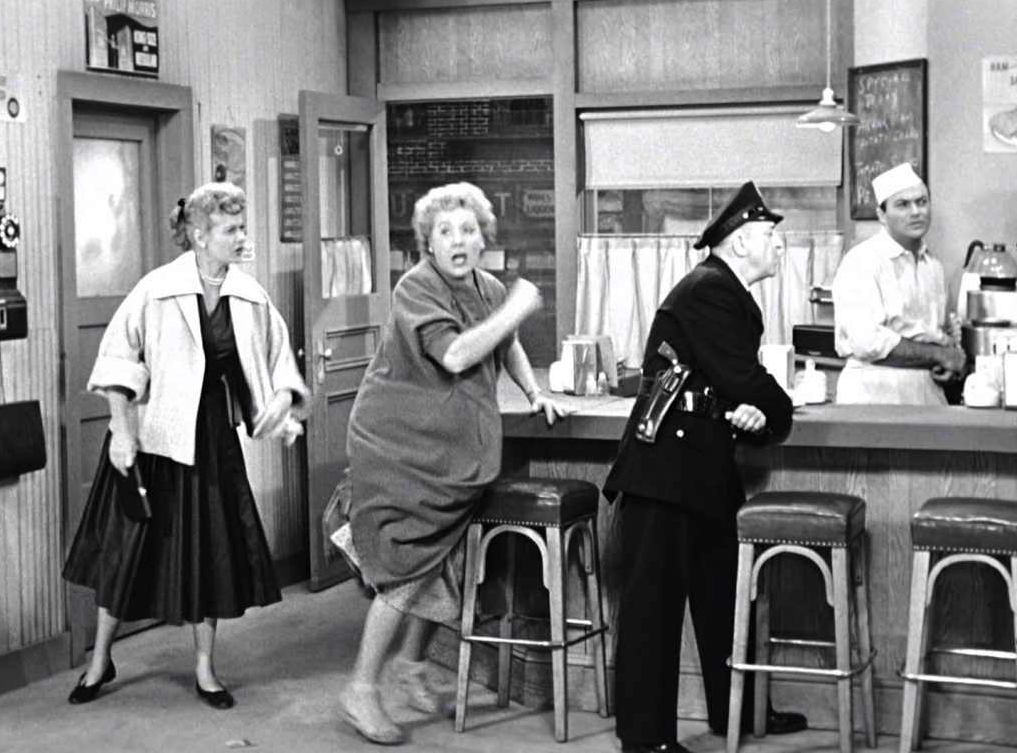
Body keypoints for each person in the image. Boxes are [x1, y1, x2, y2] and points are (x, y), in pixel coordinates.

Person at [333, 182, 569, 745]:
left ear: (483, 239)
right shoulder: (416, 287)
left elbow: (505, 343)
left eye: (468, 230)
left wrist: (535, 393)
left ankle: (410, 666)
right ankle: (360, 688)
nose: (458, 240)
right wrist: (518, 306)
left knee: (444, 562)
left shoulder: (488, 287)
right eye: (445, 232)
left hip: (450, 453)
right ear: (428, 243)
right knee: (407, 568)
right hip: (399, 448)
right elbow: (458, 353)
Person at [63, 182, 310, 709]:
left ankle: (205, 668)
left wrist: (283, 401)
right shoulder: (156, 289)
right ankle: (100, 660)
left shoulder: (250, 296)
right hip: (152, 439)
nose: (241, 237)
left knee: (210, 556)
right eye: (231, 229)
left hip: (213, 441)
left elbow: (278, 362)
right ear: (199, 235)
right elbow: (116, 361)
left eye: (242, 227)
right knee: (126, 554)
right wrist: (122, 432)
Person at [602, 182, 807, 753]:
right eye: (769, 236)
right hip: (665, 471)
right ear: (739, 243)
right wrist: (776, 412)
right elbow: (742, 377)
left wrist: (754, 411)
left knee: (723, 598)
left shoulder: (720, 289)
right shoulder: (712, 289)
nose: (779, 246)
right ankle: (646, 739)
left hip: (699, 466)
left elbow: (729, 384)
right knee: (653, 609)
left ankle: (736, 712)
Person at [832, 163, 966, 404]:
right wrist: (940, 355)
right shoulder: (863, 260)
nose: (916, 212)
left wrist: (950, 363)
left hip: (929, 392)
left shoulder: (933, 267)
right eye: (903, 205)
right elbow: (867, 342)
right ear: (882, 215)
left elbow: (943, 332)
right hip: (876, 393)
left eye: (922, 202)